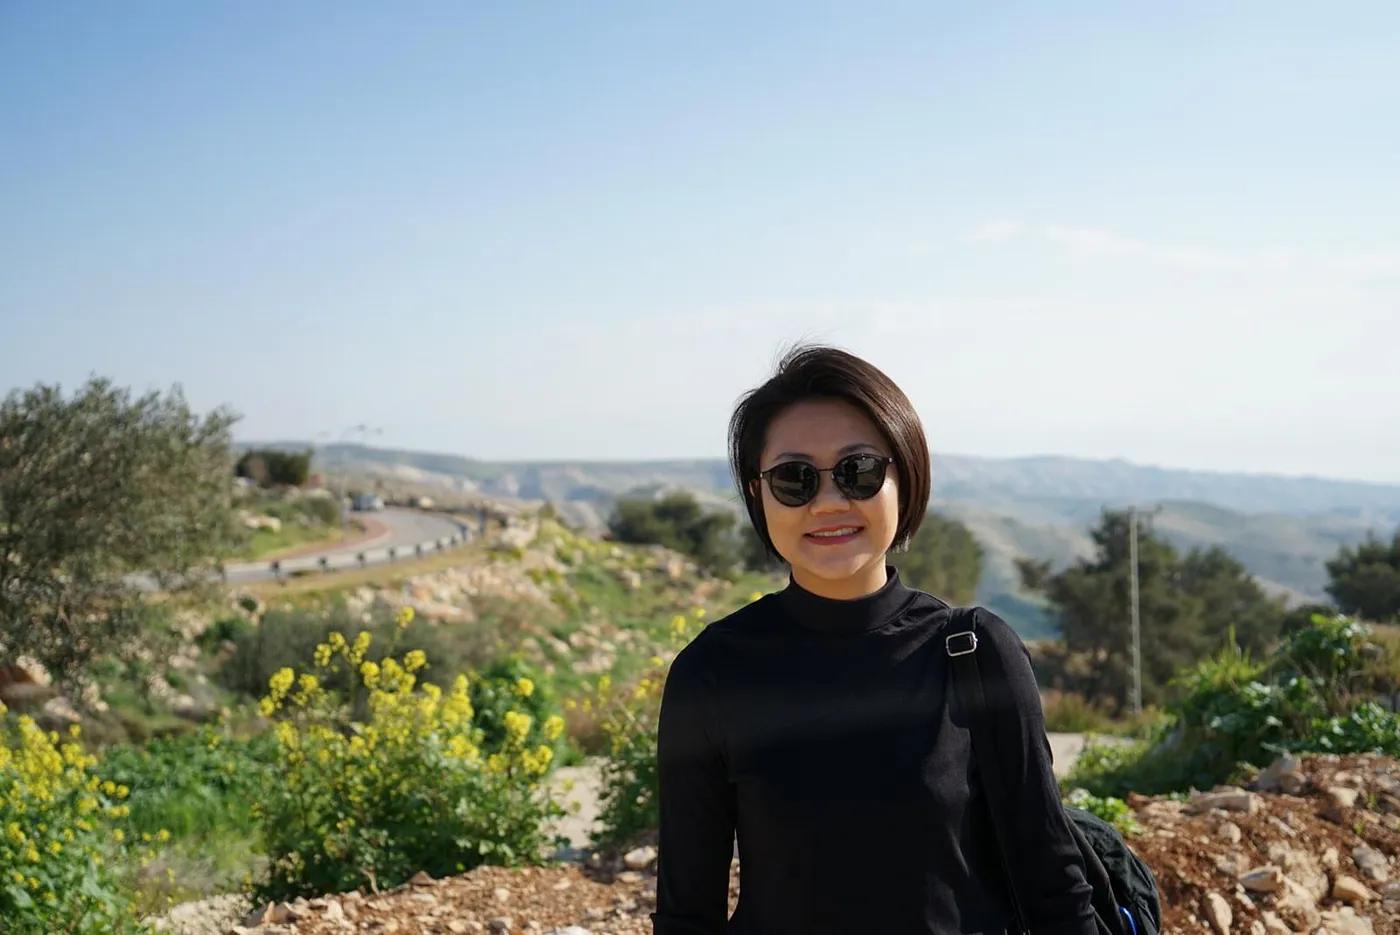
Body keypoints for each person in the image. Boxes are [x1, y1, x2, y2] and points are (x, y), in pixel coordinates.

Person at [651, 344, 1098, 935]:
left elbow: (1053, 885)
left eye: (858, 472)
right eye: (794, 479)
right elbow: (687, 912)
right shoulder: (711, 672)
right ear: (758, 494)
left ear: (903, 478)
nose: (829, 502)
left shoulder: (974, 652)